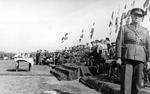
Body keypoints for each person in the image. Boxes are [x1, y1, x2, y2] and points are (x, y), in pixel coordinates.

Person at [116, 8, 150, 94]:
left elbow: (148, 46)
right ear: (131, 16)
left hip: (141, 57)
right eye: (135, 15)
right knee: (126, 81)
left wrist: (149, 60)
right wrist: (119, 57)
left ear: (142, 18)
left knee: (138, 81)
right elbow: (119, 43)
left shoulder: (146, 31)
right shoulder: (124, 28)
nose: (137, 17)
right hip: (128, 56)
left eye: (139, 16)